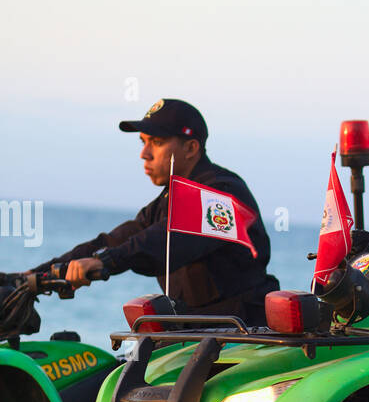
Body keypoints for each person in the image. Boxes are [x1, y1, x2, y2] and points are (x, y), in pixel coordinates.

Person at [34, 98, 278, 325]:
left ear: (191, 148)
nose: (144, 153)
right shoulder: (168, 200)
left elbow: (164, 239)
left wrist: (103, 261)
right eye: (143, 142)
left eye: (157, 143)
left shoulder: (221, 193)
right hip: (198, 333)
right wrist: (31, 277)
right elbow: (116, 240)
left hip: (243, 335)